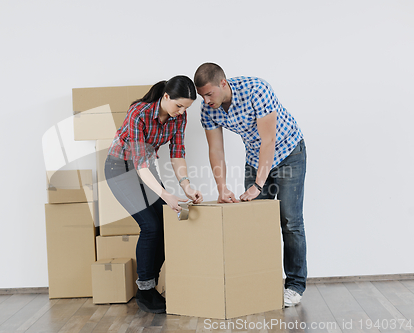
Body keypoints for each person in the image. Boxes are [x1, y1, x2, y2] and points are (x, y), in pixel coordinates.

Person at [194, 63, 307, 307]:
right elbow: (216, 149)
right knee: (255, 222)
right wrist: (222, 188)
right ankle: (262, 283)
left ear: (223, 83)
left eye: (209, 93)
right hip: (256, 157)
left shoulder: (257, 89)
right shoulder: (208, 110)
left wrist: (258, 184)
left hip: (289, 151)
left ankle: (295, 285)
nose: (205, 100)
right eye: (201, 95)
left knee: (290, 220)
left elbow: (269, 140)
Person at [104, 75, 203, 314]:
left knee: (166, 226)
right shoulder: (139, 112)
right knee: (150, 226)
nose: (181, 112)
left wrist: (186, 186)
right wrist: (166, 194)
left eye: (186, 108)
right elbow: (140, 165)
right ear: (166, 96)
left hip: (145, 168)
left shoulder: (179, 117)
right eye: (178, 106)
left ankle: (151, 285)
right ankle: (145, 291)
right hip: (120, 169)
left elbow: (177, 153)